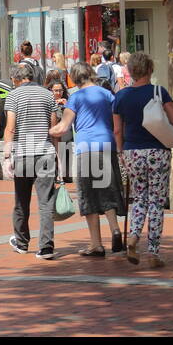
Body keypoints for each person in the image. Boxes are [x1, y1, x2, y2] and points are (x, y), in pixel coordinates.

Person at [112, 51, 173, 267]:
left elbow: (117, 130)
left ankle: (133, 236)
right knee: (156, 201)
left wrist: (121, 152)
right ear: (150, 69)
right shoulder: (158, 92)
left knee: (139, 198)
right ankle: (153, 252)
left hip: (132, 152)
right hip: (157, 151)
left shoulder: (121, 96)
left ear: (130, 71)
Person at [51, 62, 124, 256]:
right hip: (107, 146)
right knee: (107, 189)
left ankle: (96, 244)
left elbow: (63, 128)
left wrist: (46, 130)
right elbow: (118, 123)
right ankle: (115, 229)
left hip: (86, 149)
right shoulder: (107, 94)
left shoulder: (75, 98)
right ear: (91, 74)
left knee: (88, 195)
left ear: (74, 78)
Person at [2, 63, 58, 259]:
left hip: (24, 152)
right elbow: (53, 128)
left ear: (17, 79)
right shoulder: (48, 94)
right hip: (45, 151)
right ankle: (46, 246)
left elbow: (10, 128)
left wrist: (7, 157)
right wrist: (56, 153)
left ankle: (22, 241)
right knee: (46, 201)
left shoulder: (13, 96)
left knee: (21, 201)